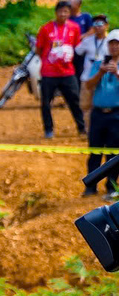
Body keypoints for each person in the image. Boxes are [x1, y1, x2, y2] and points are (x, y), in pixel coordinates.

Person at [41, 0, 89, 138]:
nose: (63, 14)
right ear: (56, 13)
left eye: (66, 12)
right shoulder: (46, 28)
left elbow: (77, 47)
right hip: (49, 72)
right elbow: (40, 48)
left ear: (69, 13)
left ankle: (81, 128)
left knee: (74, 100)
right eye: (60, 11)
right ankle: (48, 130)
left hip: (68, 72)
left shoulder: (74, 28)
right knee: (46, 102)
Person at [85, 33, 119, 194]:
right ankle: (91, 186)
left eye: (117, 44)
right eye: (111, 43)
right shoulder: (98, 64)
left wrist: (116, 73)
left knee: (114, 153)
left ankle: (111, 187)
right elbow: (88, 85)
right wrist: (100, 72)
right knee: (94, 151)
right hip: (98, 114)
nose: (114, 47)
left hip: (116, 114)